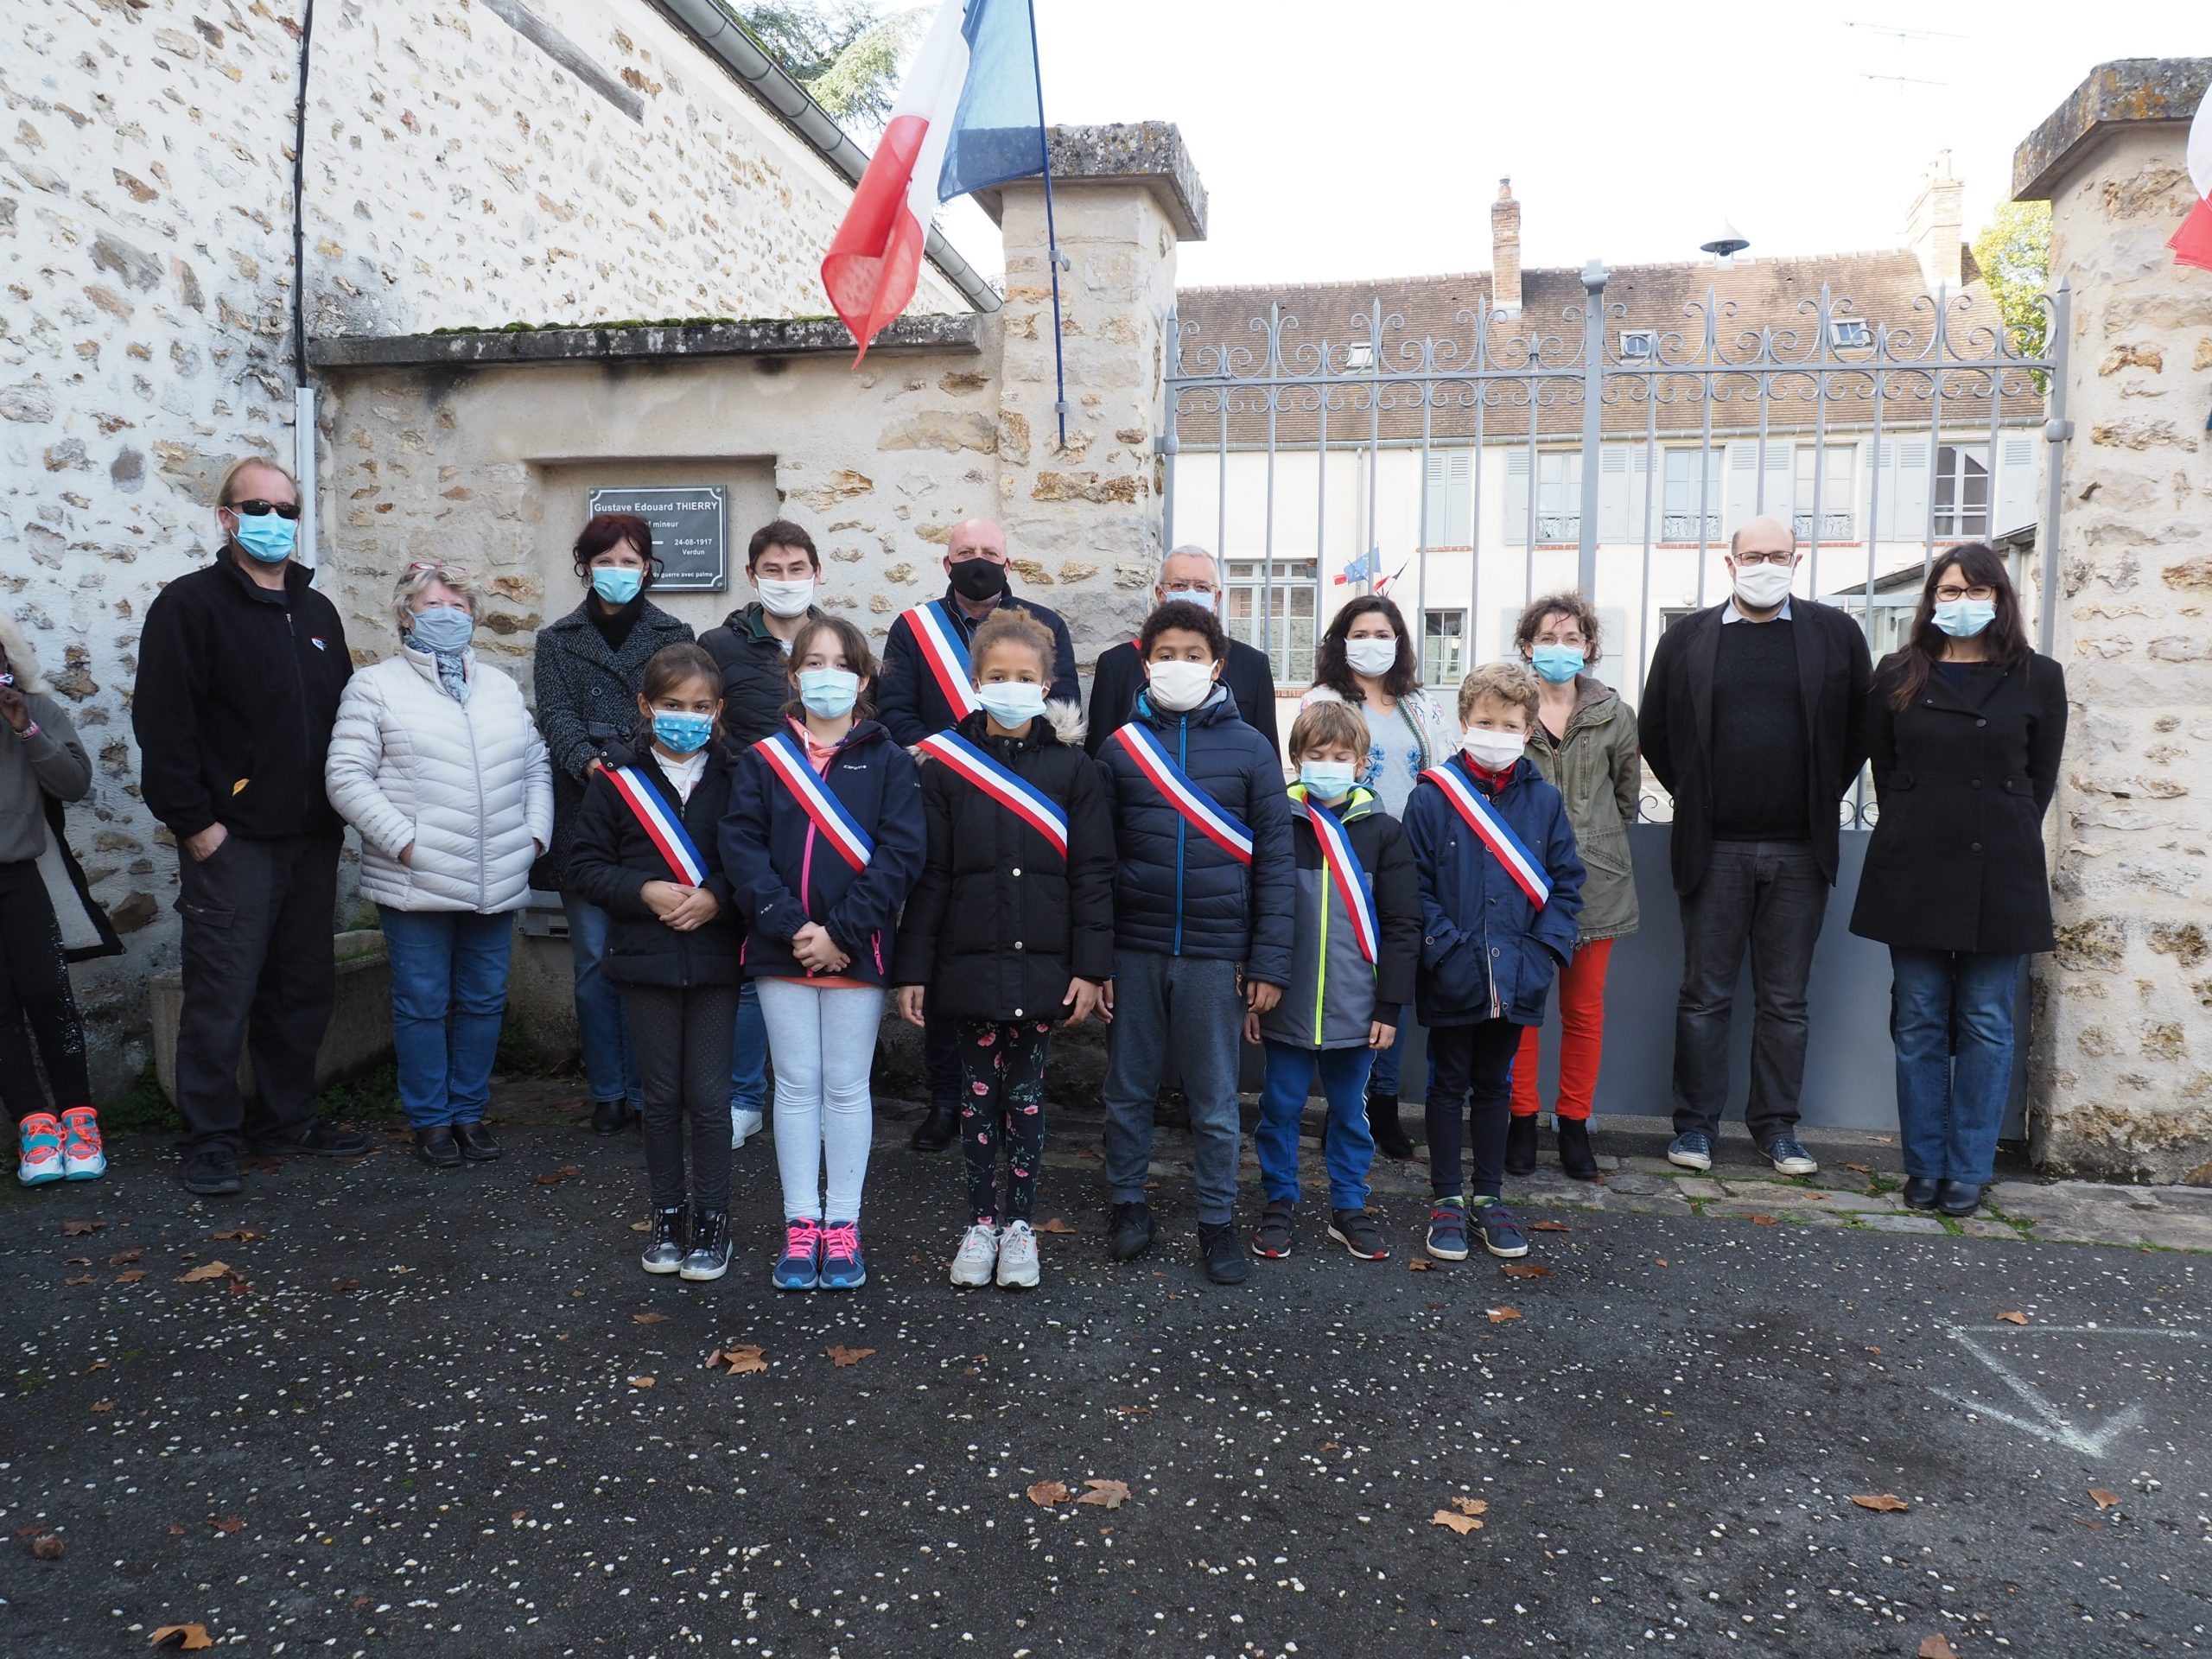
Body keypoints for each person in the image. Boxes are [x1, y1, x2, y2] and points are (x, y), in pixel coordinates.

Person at [133, 454, 368, 1196]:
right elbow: (163, 725)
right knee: (221, 990)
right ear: (227, 517)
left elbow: (343, 717)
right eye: (257, 508)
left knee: (301, 989)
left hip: (311, 836)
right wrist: (195, 824)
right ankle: (209, 1136)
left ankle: (286, 1116)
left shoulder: (318, 611)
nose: (274, 523)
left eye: (286, 510)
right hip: (231, 839)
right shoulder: (189, 605)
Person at [1638, 516, 1872, 1178]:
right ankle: (1695, 1129)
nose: (1765, 564)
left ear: (1797, 563)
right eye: (1753, 554)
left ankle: (1777, 1128)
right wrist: (1701, 794)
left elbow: (1860, 727)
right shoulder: (1687, 638)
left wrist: (1821, 788)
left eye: (1778, 555)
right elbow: (1656, 729)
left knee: (1786, 1000)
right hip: (1714, 849)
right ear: (1729, 562)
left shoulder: (1835, 635)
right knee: (1704, 995)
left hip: (1801, 851)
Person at [893, 610, 1114, 1291]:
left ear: (1048, 684)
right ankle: (979, 1224)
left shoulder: (1075, 770)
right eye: (998, 676)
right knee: (975, 1100)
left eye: (1025, 677)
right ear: (975, 680)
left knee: (1025, 1096)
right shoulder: (945, 769)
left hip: (1043, 964)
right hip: (967, 961)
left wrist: (1090, 968)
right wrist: (914, 969)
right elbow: (930, 876)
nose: (1012, 686)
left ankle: (1020, 1225)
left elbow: (1094, 874)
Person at [1849, 546, 2065, 1217]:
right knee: (1917, 1020)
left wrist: (1996, 825)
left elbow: (2039, 781)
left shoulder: (2038, 677)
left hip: (1999, 868)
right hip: (1913, 866)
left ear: (2000, 598)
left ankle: (1969, 1168)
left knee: (1986, 1020)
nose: (1960, 602)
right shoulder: (1897, 674)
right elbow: (1886, 772)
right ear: (1930, 601)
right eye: (1947, 590)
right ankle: (1925, 1165)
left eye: (1975, 590)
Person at [721, 615, 925, 1293]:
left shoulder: (890, 761)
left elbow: (900, 855)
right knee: (797, 1086)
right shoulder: (761, 760)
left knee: (845, 1087)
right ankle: (800, 1222)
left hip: (854, 951)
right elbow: (742, 849)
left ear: (863, 679)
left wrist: (839, 933)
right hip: (782, 948)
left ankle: (844, 1224)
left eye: (840, 664)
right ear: (793, 674)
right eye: (813, 662)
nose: (825, 675)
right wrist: (790, 925)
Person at [325, 563, 552, 1169]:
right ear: (406, 612)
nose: (448, 609)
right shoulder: (374, 686)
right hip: (415, 878)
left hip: (496, 872)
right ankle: (430, 1121)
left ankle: (469, 1115)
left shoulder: (500, 687)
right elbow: (346, 776)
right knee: (423, 1002)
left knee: (482, 1000)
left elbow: (535, 766)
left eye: (459, 600)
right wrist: (404, 843)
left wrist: (533, 836)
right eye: (434, 600)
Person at [1096, 599, 1294, 1287]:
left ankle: (1216, 1220)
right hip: (1135, 948)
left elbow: (1274, 860)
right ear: (1145, 663)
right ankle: (1126, 1205)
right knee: (1127, 1089)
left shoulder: (1251, 748)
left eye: (1192, 654)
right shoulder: (1119, 749)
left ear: (1217, 665)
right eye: (1165, 654)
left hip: (1216, 953)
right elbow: (1097, 861)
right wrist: (1099, 962)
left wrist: (1268, 960)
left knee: (1214, 1101)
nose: (1178, 665)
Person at [876, 518, 1078, 1155]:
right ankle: (946, 1099)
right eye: (966, 553)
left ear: (1008, 560)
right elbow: (896, 711)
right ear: (946, 562)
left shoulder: (1044, 623)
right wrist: (950, 762)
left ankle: (1018, 1096)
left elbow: (1065, 709)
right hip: (941, 797)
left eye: (990, 552)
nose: (978, 562)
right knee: (947, 952)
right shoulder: (914, 629)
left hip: (1029, 802)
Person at [567, 644, 747, 1281]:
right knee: (662, 1097)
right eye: (672, 706)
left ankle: (714, 1220)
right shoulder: (616, 782)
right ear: (645, 707)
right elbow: (584, 865)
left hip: (715, 960)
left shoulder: (738, 776)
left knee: (709, 1095)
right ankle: (668, 1215)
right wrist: (640, 892)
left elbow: (754, 859)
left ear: (718, 711)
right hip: (643, 959)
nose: (686, 718)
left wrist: (718, 899)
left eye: (700, 708)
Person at [1404, 662, 1583, 1263]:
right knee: (1447, 1081)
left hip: (1518, 974)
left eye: (1510, 723)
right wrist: (1448, 949)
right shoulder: (1432, 798)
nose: (1496, 732)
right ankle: (1447, 1199)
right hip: (1453, 968)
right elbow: (1415, 886)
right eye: (1485, 721)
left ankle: (1489, 1196)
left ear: (1529, 728)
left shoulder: (1546, 802)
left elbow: (1566, 885)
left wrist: (1541, 953)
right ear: (1463, 723)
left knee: (1494, 1085)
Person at [534, 512, 695, 1135]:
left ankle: (650, 1088)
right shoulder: (557, 638)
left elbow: (677, 706)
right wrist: (592, 764)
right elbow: (555, 713)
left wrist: (631, 757)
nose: (618, 572)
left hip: (655, 813)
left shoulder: (674, 632)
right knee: (595, 963)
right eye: (606, 560)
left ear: (649, 566)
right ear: (585, 565)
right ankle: (607, 1090)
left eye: (631, 561)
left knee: (650, 958)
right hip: (587, 815)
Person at [1247, 701, 1419, 1263]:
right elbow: (1254, 912)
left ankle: (1349, 1207)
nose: (1328, 764)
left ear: (1363, 763)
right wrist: (1249, 991)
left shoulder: (1385, 835)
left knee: (1350, 1114)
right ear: (1296, 760)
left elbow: (1402, 926)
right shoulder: (1276, 824)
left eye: (1340, 756)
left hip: (1356, 1009)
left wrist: (1389, 1006)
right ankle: (1279, 1201)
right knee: (1280, 1109)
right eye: (1316, 755)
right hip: (1286, 1005)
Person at [1299, 593, 1455, 1160]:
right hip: (1343, 856)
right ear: (1342, 641)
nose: (1373, 643)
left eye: (1384, 633)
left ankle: (1384, 1104)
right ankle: (1343, 1104)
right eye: (1361, 632)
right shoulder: (1323, 700)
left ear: (1399, 642)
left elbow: (1444, 771)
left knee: (1394, 978)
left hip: (1407, 857)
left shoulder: (1420, 704)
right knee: (1341, 979)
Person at [700, 519, 831, 1152]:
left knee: (830, 964)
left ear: (817, 572)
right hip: (751, 826)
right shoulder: (717, 648)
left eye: (797, 568)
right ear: (752, 577)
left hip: (828, 832)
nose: (786, 580)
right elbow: (705, 727)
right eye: (773, 570)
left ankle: (831, 1099)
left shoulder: (835, 643)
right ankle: (746, 1097)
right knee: (756, 970)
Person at [1506, 593, 1641, 1180]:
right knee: (1522, 1009)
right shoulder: (1508, 708)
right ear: (1527, 646)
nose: (1558, 649)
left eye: (1571, 638)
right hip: (1520, 886)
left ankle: (1574, 1124)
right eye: (1546, 638)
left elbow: (1628, 797)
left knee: (1583, 1011)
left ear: (1588, 647)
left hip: (1597, 885)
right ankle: (1519, 1121)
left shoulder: (1615, 713)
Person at [0, 614, 108, 1185]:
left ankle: (78, 1118)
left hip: (18, 875)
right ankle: (35, 1127)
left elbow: (76, 784)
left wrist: (25, 730)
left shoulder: (35, 707)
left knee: (48, 993)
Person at [1086, 545, 1280, 757]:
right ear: (1160, 593)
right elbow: (1099, 760)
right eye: (1179, 585)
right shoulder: (1116, 665)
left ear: (1216, 598)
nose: (1190, 594)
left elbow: (1267, 756)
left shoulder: (1252, 665)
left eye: (1202, 587)